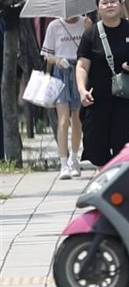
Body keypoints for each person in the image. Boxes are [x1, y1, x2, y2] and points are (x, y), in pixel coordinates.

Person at [76, 0, 129, 167]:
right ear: (98, 8)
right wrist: (82, 90)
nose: (109, 5)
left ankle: (122, 186)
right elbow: (82, 65)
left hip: (128, 102)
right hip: (98, 101)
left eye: (113, 1)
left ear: (120, 4)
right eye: (105, 2)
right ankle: (103, 179)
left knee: (125, 150)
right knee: (96, 149)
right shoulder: (90, 34)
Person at [41, 16, 87, 179]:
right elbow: (47, 55)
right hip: (61, 73)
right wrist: (58, 61)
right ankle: (63, 163)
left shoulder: (85, 23)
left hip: (80, 72)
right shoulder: (54, 26)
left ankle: (74, 159)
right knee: (63, 119)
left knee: (77, 119)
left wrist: (90, 28)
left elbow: (92, 49)